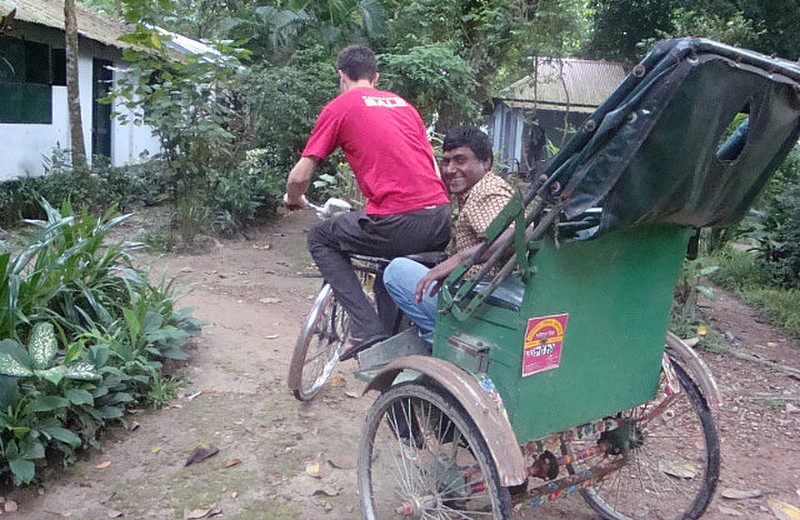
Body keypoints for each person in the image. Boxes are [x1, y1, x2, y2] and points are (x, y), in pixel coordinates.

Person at [283, 44, 452, 359]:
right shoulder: (404, 106)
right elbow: (432, 167)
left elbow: (298, 177)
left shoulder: (341, 105)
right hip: (440, 218)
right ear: (375, 77)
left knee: (321, 238)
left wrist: (293, 199)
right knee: (387, 264)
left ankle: (364, 327)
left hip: (401, 221)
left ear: (341, 76)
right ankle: (390, 354)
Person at [383, 126, 515, 340]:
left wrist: (459, 259)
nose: (450, 169)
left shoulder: (487, 192)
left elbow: (516, 234)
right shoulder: (476, 190)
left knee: (396, 271)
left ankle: (440, 343)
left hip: (478, 303)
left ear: (486, 162)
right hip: (480, 293)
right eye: (446, 162)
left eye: (460, 160)